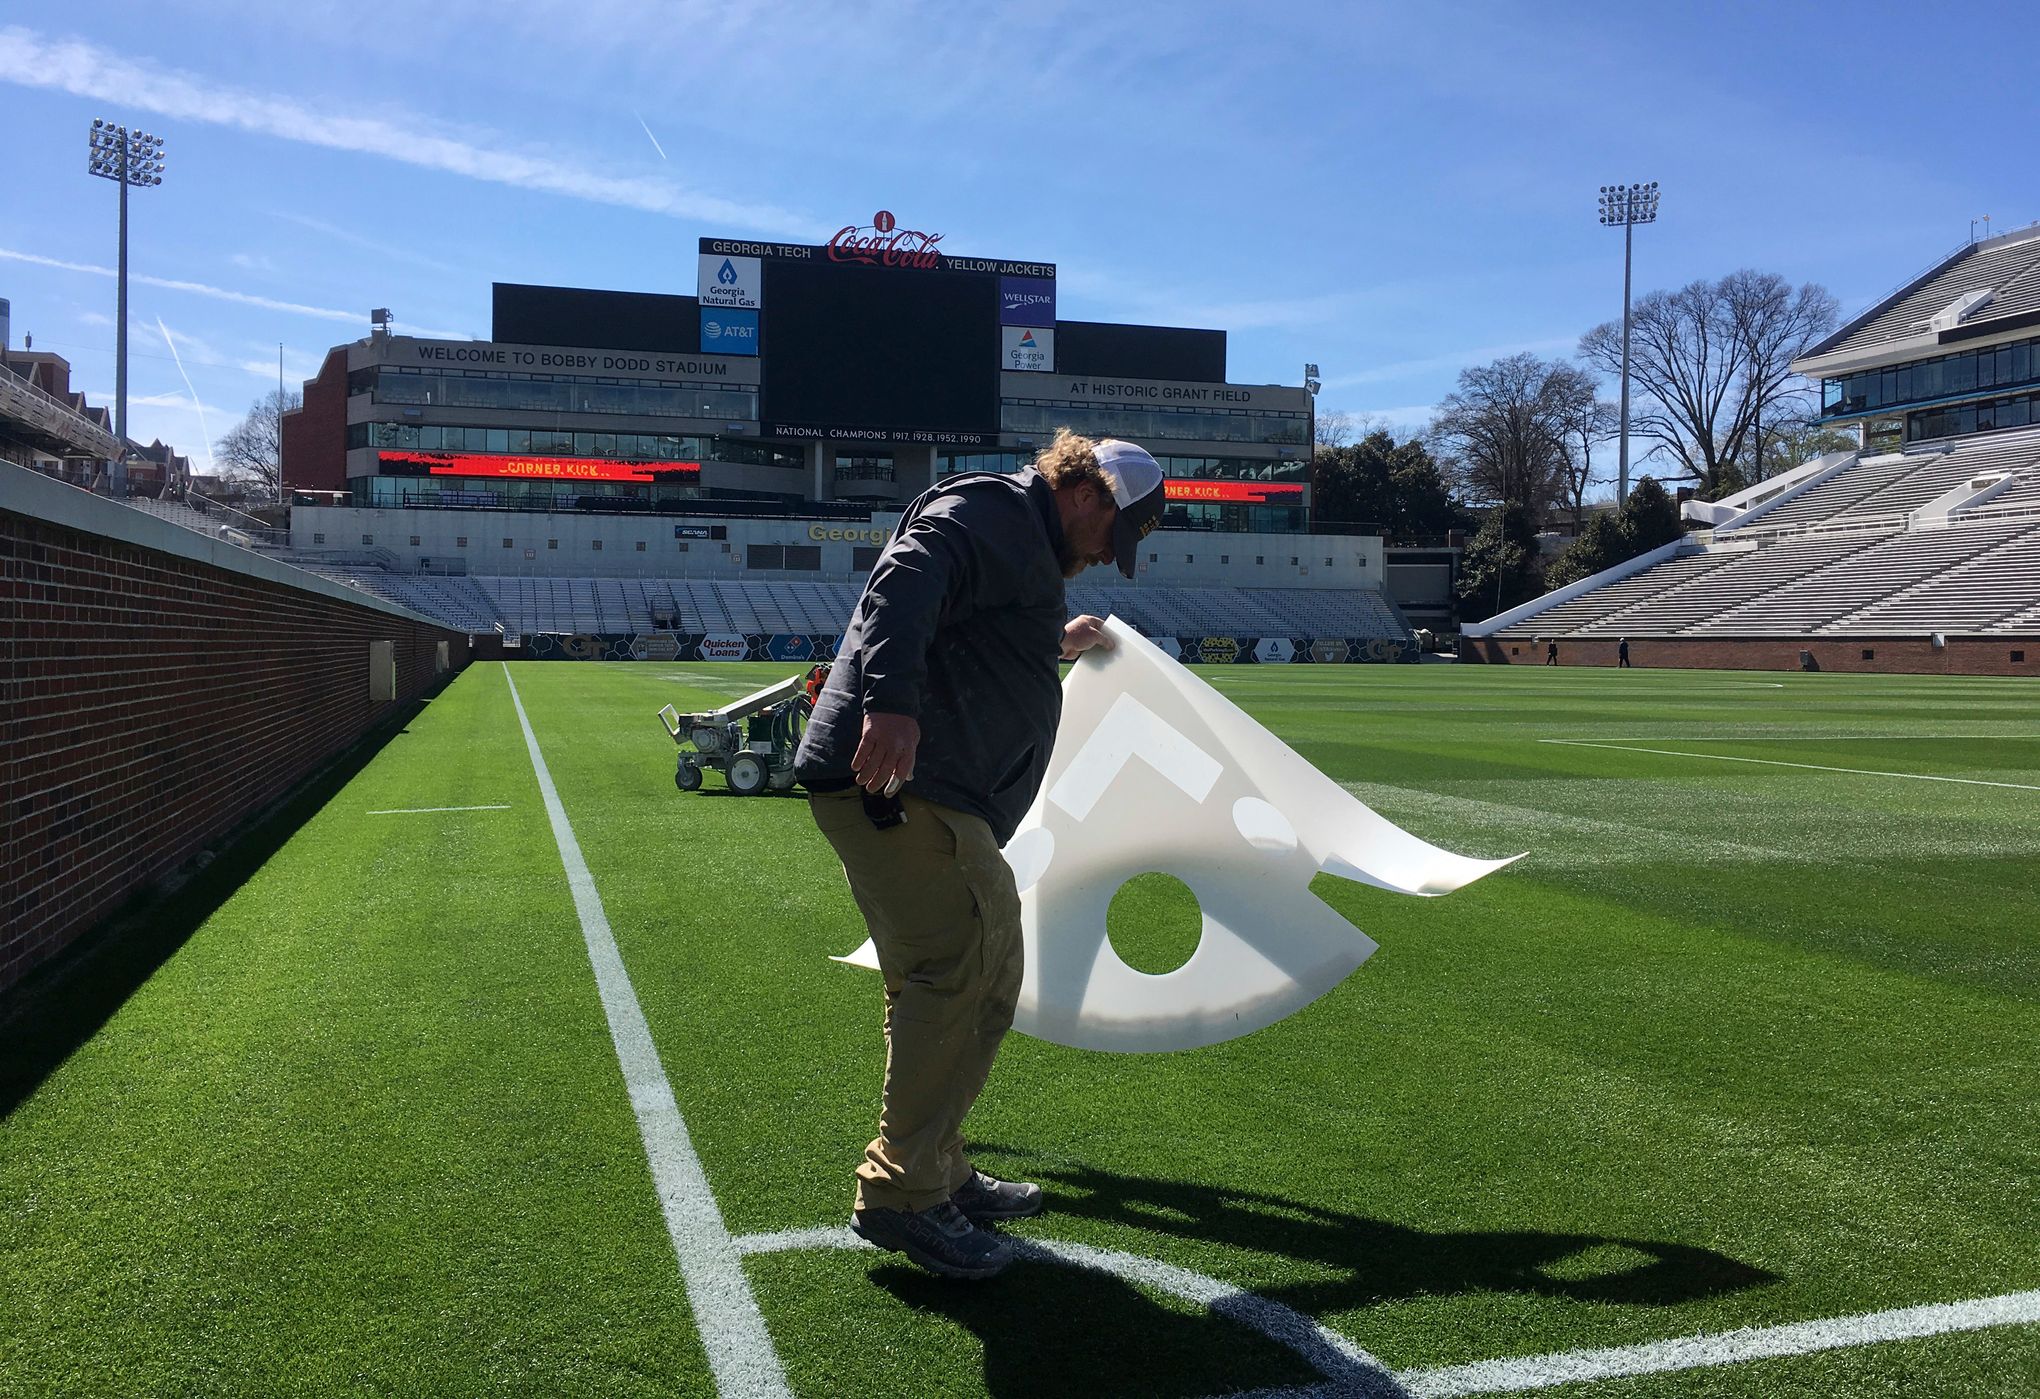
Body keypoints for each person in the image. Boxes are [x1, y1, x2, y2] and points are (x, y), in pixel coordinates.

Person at [795, 429, 1167, 1280]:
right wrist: (889, 704)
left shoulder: (1021, 540)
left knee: (989, 972)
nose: (1111, 558)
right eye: (1115, 535)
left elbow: (974, 634)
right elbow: (907, 576)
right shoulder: (997, 509)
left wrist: (1051, 640)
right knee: (950, 972)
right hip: (904, 788)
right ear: (1086, 494)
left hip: (939, 797)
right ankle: (900, 1192)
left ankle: (939, 1166)